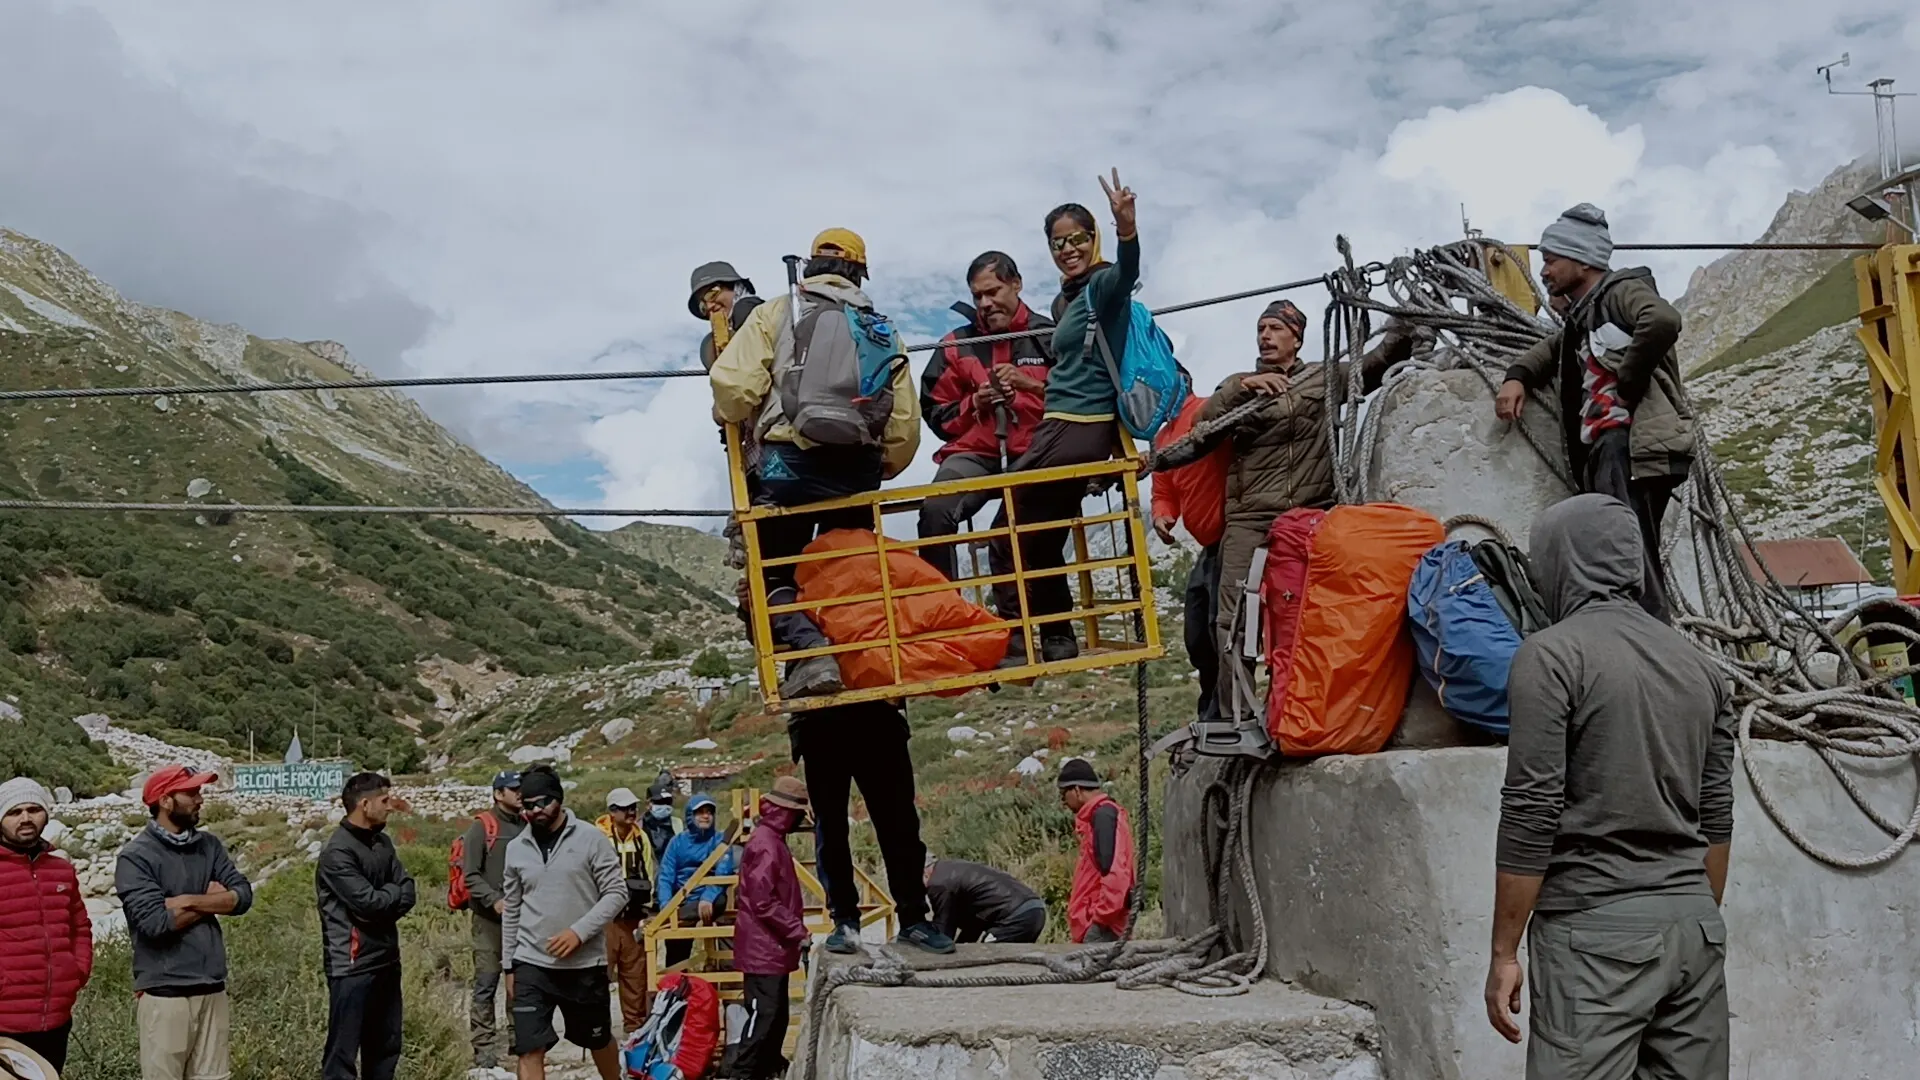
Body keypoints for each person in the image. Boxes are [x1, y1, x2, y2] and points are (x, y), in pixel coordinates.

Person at [1484, 494, 1734, 1078]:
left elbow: (1531, 808)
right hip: (1694, 928)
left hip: (1594, 936)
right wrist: (1688, 917)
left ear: (1559, 563)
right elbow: (1715, 817)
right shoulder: (1703, 668)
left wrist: (1503, 952)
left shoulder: (1550, 656)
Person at [709, 228, 921, 698]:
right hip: (858, 471)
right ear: (859, 273)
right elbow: (904, 421)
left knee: (772, 572)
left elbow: (733, 384)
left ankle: (811, 652)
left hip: (790, 466)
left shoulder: (777, 311)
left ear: (810, 266)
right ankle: (857, 665)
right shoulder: (882, 328)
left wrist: (728, 415)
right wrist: (884, 466)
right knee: (847, 571)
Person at [1494, 203, 1696, 622]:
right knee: (1622, 551)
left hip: (1629, 448)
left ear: (1583, 259)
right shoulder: (1582, 319)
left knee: (1629, 557)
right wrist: (1517, 376)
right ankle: (1642, 640)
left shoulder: (1619, 292)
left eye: (1551, 260)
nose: (1544, 271)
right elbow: (1548, 352)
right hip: (1612, 451)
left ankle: (1650, 646)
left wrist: (1627, 386)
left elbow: (1661, 319)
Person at [1197, 299, 1392, 703]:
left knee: (1314, 609)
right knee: (1232, 616)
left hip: (1310, 510)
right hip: (1250, 515)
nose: (1265, 336)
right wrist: (1241, 387)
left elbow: (1372, 366)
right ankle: (1240, 714)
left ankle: (1306, 705)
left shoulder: (1323, 378)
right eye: (1260, 329)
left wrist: (1404, 325)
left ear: (1297, 337)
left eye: (1275, 328)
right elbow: (1203, 424)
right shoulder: (1239, 385)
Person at [989, 170, 1138, 664]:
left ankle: (1013, 640)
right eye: (1058, 243)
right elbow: (1074, 370)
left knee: (1001, 526)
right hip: (1064, 423)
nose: (1068, 249)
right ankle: (1058, 638)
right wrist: (1031, 384)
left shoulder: (1103, 288)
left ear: (1093, 238)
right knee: (1044, 534)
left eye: (1077, 238)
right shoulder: (1066, 300)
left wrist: (1126, 228)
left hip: (1077, 429)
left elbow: (1128, 271)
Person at [917, 251, 1057, 585]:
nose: (985, 303)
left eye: (993, 292)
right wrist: (975, 403)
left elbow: (1076, 397)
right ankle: (946, 615)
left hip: (1037, 450)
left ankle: (1056, 632)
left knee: (1033, 532)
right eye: (978, 296)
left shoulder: (1050, 336)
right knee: (935, 512)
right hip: (977, 451)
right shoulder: (955, 345)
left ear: (1016, 284)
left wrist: (1030, 386)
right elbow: (936, 414)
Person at [115, 764, 253, 1080]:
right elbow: (155, 923)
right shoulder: (135, 856)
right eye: (191, 792)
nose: (200, 799)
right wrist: (214, 901)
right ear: (165, 800)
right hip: (165, 993)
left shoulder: (209, 845)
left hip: (212, 987)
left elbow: (243, 896)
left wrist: (187, 901)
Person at [796, 699, 954, 955]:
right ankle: (844, 922)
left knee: (900, 826)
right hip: (820, 722)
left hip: (878, 718)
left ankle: (913, 919)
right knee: (831, 830)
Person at [500, 765, 627, 1080]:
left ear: (558, 798)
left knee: (597, 1039)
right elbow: (512, 907)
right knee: (529, 1048)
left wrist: (579, 932)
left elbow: (617, 892)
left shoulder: (591, 839)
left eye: (542, 802)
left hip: (584, 964)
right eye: (527, 805)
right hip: (531, 963)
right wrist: (509, 965)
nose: (535, 811)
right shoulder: (516, 849)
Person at [316, 772, 417, 1080]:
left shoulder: (382, 842)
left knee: (386, 1050)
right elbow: (368, 905)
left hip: (387, 960)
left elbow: (408, 889)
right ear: (364, 804)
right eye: (384, 801)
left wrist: (387, 898)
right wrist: (390, 896)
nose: (390, 807)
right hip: (352, 967)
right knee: (342, 1057)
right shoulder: (338, 852)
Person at [1149, 380, 1230, 720]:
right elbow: (1163, 489)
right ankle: (1210, 708)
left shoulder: (1209, 409)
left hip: (1233, 537)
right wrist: (1162, 515)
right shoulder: (1164, 437)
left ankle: (1225, 711)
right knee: (1198, 634)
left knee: (1220, 628)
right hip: (1209, 546)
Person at [0, 778, 90, 1073]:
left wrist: (76, 971)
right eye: (14, 812)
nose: (25, 818)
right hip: (6, 1022)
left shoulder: (61, 869)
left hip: (55, 1018)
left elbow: (80, 926)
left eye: (33, 809)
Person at [724, 778, 812, 1080]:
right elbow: (762, 901)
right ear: (787, 812)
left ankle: (763, 1071)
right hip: (764, 949)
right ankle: (741, 1074)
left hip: (770, 948)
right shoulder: (767, 844)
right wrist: (797, 930)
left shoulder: (769, 840)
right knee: (764, 1020)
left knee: (774, 1019)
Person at [463, 770, 526, 1073]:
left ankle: (520, 1040)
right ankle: (485, 1050)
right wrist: (494, 900)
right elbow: (470, 876)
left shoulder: (526, 825)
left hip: (523, 921)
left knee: (521, 983)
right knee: (486, 984)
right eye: (514, 789)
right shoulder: (481, 828)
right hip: (489, 922)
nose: (520, 793)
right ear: (499, 794)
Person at [594, 787, 655, 1034]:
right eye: (625, 808)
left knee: (635, 976)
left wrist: (648, 909)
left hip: (634, 917)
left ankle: (635, 1026)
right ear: (612, 811)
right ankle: (597, 1028)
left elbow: (649, 872)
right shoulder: (596, 838)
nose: (631, 812)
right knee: (599, 975)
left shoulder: (641, 838)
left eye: (633, 807)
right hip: (604, 918)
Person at [653, 793, 736, 970]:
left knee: (725, 923)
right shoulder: (677, 842)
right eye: (700, 812)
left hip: (711, 900)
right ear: (691, 815)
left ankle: (729, 989)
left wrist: (708, 896)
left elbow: (723, 870)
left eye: (709, 812)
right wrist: (666, 906)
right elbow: (666, 875)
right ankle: (675, 989)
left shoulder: (720, 840)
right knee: (676, 946)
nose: (706, 816)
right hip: (682, 900)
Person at [1056, 758, 1132, 944]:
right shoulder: (1099, 817)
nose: (1063, 802)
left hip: (1103, 927)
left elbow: (1115, 875)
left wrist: (1098, 922)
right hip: (1098, 924)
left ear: (1076, 790)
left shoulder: (1103, 817)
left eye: (1063, 793)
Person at [924, 853, 1046, 945]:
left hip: (1015, 916)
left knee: (987, 959)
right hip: (1035, 911)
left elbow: (943, 933)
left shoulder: (938, 883)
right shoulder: (953, 869)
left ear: (923, 872)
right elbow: (973, 925)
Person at [642, 771, 678, 869]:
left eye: (667, 802)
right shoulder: (638, 827)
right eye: (659, 802)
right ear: (648, 804)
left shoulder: (678, 824)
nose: (663, 806)